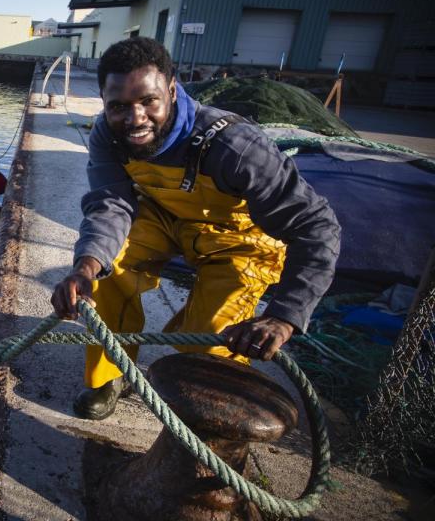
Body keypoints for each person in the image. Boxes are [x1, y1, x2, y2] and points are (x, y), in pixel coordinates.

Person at [51, 37, 340, 420]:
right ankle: (112, 373)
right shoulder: (108, 134)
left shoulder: (236, 148)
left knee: (214, 337)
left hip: (238, 238)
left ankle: (205, 414)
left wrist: (285, 316)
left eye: (148, 102)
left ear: (171, 90)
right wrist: (84, 268)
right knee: (107, 270)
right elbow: (111, 204)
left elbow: (317, 227)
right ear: (104, 100)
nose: (134, 118)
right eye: (118, 106)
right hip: (163, 219)